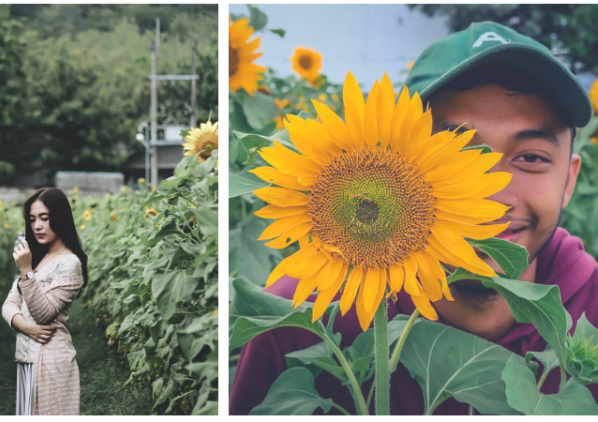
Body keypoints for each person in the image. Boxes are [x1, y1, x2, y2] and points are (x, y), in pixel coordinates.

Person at [230, 21, 597, 415]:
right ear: (401, 146)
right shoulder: (293, 318)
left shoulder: (590, 308)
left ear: (570, 179)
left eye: (531, 158)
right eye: (457, 152)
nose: (491, 195)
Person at [2, 187, 89, 415]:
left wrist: (26, 272)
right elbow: (9, 304)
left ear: (59, 218)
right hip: (26, 358)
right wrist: (26, 327)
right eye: (32, 219)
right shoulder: (38, 257)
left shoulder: (70, 264)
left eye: (44, 218)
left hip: (51, 360)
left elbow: (44, 313)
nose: (37, 226)